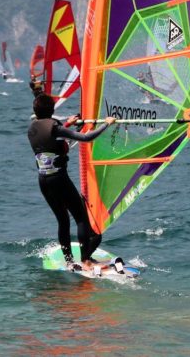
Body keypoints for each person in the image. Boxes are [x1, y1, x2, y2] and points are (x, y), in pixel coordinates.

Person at [27, 93, 115, 270]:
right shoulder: (55, 128)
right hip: (59, 179)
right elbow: (86, 138)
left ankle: (68, 261)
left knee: (63, 220)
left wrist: (67, 124)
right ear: (52, 110)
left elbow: (50, 137)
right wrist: (107, 123)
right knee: (81, 218)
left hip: (43, 181)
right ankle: (86, 260)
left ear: (35, 112)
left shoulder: (32, 128)